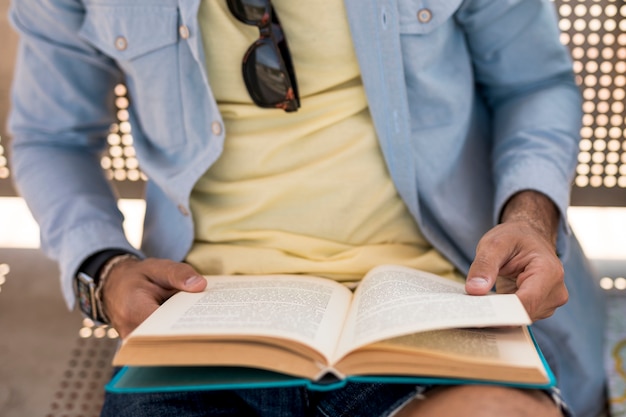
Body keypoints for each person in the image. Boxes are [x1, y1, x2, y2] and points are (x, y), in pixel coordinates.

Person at [7, 0, 606, 416]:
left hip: (443, 295)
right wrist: (104, 267)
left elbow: (533, 85)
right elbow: (50, 135)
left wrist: (530, 220)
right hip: (197, 313)